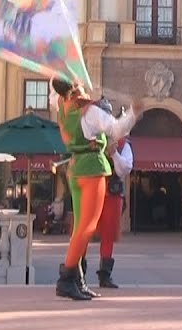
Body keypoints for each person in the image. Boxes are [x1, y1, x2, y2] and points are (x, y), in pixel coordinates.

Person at [50, 79, 139, 301]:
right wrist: (133, 113)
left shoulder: (62, 106)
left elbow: (55, 89)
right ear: (76, 85)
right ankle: (66, 279)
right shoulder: (88, 112)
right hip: (92, 168)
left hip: (75, 169)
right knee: (86, 228)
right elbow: (117, 129)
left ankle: (78, 279)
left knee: (79, 227)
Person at [88, 98, 134, 289]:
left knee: (108, 234)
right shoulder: (88, 137)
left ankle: (104, 275)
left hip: (112, 193)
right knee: (84, 231)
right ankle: (76, 271)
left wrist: (114, 153)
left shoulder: (123, 143)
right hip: (92, 189)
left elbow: (125, 168)